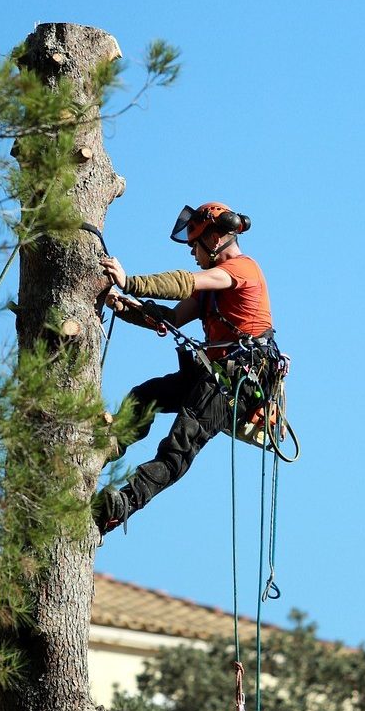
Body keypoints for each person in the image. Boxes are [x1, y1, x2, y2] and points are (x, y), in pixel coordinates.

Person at [93, 201, 278, 535]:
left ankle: (123, 505)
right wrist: (127, 308)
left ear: (216, 239)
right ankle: (107, 445)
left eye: (195, 244)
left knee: (179, 444)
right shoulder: (212, 290)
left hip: (238, 379)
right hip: (214, 373)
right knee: (145, 396)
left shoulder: (240, 270)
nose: (192, 252)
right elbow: (173, 317)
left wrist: (130, 282)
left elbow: (183, 283)